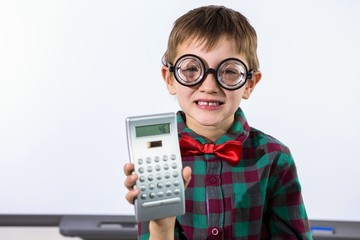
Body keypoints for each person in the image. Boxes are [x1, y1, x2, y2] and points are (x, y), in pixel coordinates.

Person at [124, 5, 312, 240]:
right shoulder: (157, 156)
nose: (210, 86)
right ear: (170, 79)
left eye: (229, 72)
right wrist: (160, 227)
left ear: (249, 84)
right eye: (192, 69)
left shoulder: (275, 157)